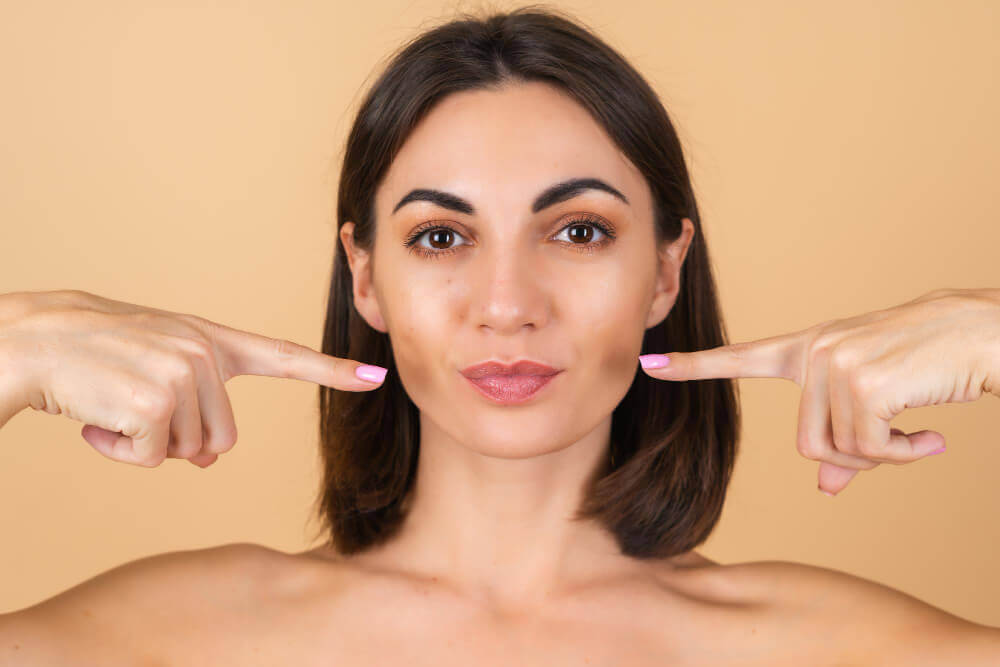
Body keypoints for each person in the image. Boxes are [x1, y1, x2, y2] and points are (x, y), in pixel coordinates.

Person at [1, 5, 999, 664]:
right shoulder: (184, 637)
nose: (508, 303)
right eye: (441, 236)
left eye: (578, 230)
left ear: (665, 271)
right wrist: (13, 346)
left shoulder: (831, 648)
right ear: (365, 276)